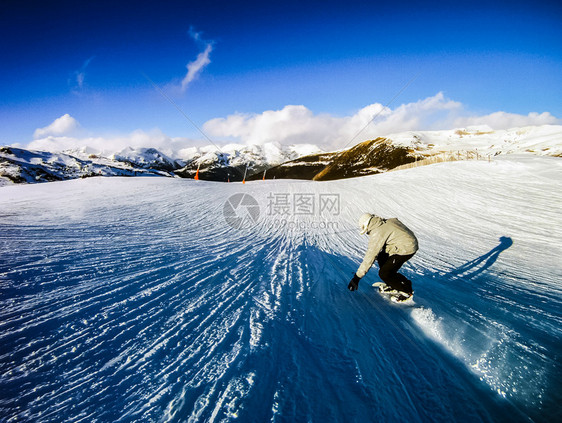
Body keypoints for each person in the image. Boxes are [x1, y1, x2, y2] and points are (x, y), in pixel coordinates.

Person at [348, 213, 418, 301]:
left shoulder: (378, 233)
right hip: (406, 243)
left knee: (384, 273)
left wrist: (356, 278)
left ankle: (406, 291)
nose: (367, 232)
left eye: (365, 229)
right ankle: (393, 284)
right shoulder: (384, 223)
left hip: (406, 248)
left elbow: (370, 256)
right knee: (381, 257)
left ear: (367, 226)